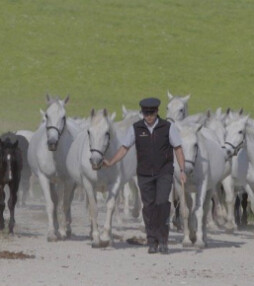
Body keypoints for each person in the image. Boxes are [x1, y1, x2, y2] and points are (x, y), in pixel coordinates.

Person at [103, 97, 186, 254]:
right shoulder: (136, 128)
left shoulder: (168, 127)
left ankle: (163, 240)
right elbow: (124, 148)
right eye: (146, 113)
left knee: (162, 204)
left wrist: (182, 170)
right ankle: (152, 241)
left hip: (164, 173)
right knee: (148, 207)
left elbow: (178, 148)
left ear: (157, 112)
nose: (149, 116)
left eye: (152, 113)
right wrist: (111, 162)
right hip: (144, 174)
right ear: (142, 113)